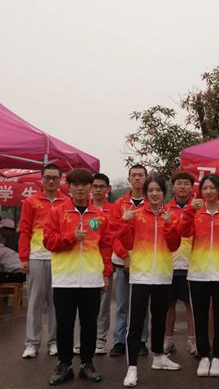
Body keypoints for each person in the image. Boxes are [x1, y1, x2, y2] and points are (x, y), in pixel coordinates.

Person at [44, 168, 112, 385]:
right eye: (75, 185)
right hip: (65, 278)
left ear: (90, 187)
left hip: (92, 278)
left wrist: (106, 273)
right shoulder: (57, 212)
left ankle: (87, 363)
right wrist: (70, 237)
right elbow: (49, 242)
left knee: (89, 323)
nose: (80, 188)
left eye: (84, 184)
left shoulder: (99, 215)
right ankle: (64, 364)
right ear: (69, 187)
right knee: (64, 323)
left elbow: (106, 246)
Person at [116, 175, 182, 387]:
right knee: (135, 322)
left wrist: (169, 224)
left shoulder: (170, 215)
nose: (154, 193)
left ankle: (159, 357)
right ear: (145, 193)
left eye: (158, 190)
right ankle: (132, 368)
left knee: (159, 319)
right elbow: (127, 243)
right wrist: (124, 222)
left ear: (164, 193)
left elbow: (174, 245)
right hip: (141, 276)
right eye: (150, 190)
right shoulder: (136, 215)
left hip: (163, 275)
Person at [177, 173, 219, 377]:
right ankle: (204, 355)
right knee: (200, 315)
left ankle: (218, 356)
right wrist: (190, 210)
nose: (208, 191)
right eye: (205, 188)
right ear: (200, 191)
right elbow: (182, 231)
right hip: (197, 273)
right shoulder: (196, 213)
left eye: (212, 188)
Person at [19, 164, 67, 358]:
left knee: (58, 303)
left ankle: (54, 342)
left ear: (60, 179)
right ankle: (32, 343)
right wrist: (24, 257)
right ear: (42, 179)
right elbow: (25, 230)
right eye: (47, 177)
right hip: (37, 257)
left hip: (60, 259)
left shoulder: (67, 202)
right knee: (35, 302)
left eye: (55, 178)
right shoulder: (31, 202)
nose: (51, 181)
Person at [109, 165, 149, 357]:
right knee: (122, 305)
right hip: (122, 261)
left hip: (145, 262)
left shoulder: (152, 202)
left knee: (142, 305)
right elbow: (113, 233)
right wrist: (125, 256)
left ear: (146, 178)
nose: (137, 178)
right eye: (134, 175)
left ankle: (141, 341)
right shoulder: (119, 204)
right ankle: (119, 341)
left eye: (141, 175)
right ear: (129, 179)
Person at [164, 171, 196, 356]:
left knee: (191, 306)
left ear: (191, 187)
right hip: (169, 265)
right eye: (179, 183)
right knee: (169, 305)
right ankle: (168, 340)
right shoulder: (165, 209)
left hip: (192, 265)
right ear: (173, 186)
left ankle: (192, 341)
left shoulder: (198, 209)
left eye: (186, 183)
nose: (182, 187)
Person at [91, 173, 113, 355]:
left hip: (106, 261)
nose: (98, 190)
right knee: (84, 303)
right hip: (86, 262)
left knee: (104, 303)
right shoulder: (84, 209)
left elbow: (113, 237)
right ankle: (83, 338)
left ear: (108, 189)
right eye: (95, 186)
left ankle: (100, 338)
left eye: (101, 186)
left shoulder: (113, 210)